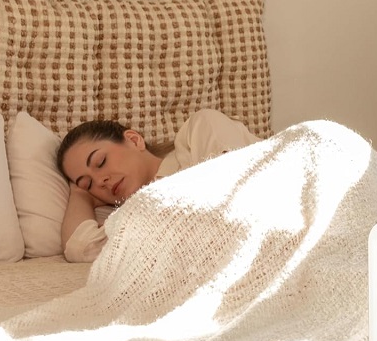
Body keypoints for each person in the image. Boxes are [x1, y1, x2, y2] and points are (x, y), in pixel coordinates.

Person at [57, 109, 261, 262]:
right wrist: (80, 194)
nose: (100, 181)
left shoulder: (200, 128)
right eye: (89, 183)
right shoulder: (130, 215)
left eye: (101, 162)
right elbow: (81, 247)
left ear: (134, 140)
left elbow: (238, 191)